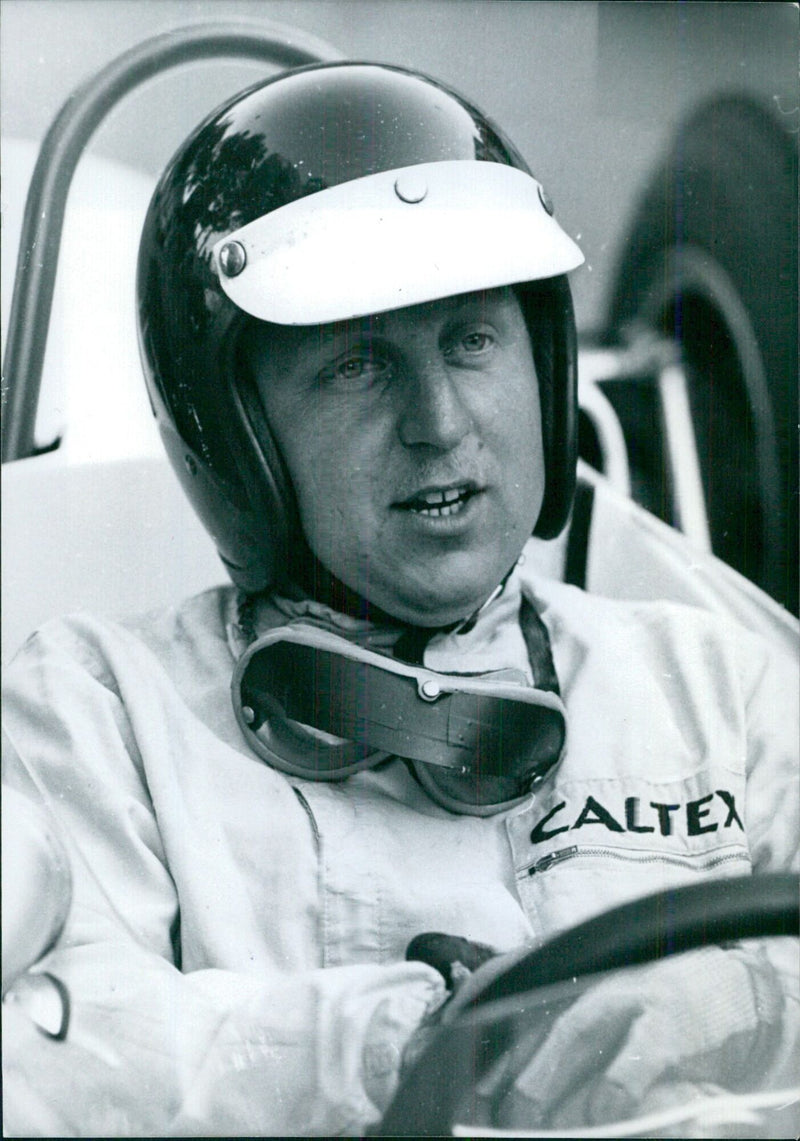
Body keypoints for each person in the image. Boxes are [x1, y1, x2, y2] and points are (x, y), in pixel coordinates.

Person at [2, 61, 798, 1137]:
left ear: (543, 367)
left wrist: (706, 1007)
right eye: (360, 366)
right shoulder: (98, 709)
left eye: (472, 341)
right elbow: (55, 1049)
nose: (438, 422)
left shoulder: (718, 682)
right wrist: (411, 1042)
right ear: (239, 443)